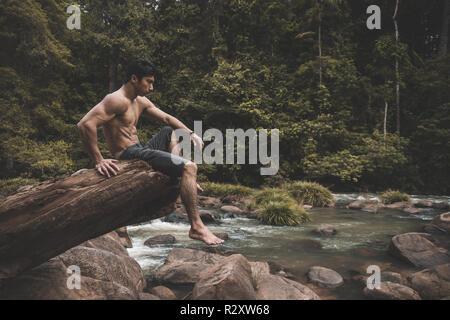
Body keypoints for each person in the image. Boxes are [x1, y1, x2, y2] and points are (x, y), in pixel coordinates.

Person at [77, 58, 224, 245]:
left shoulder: (140, 101)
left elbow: (166, 118)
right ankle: (196, 227)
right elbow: (84, 124)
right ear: (134, 79)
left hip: (141, 150)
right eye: (149, 82)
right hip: (128, 155)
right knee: (190, 166)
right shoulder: (115, 100)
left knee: (168, 131)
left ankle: (180, 175)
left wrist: (191, 133)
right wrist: (98, 160)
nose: (151, 87)